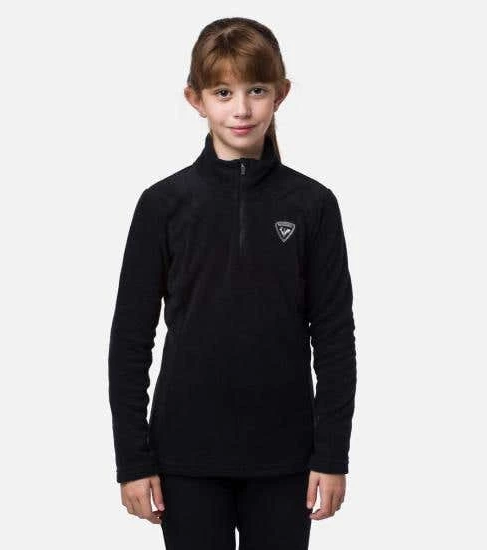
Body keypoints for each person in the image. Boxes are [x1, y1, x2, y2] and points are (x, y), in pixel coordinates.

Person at [108, 16, 357, 550]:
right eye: (223, 92)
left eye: (256, 90)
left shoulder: (313, 205)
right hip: (184, 459)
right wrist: (133, 459)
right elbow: (130, 340)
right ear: (196, 99)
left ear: (280, 94)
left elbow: (335, 338)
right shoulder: (163, 205)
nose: (241, 109)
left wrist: (332, 454)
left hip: (287, 461)